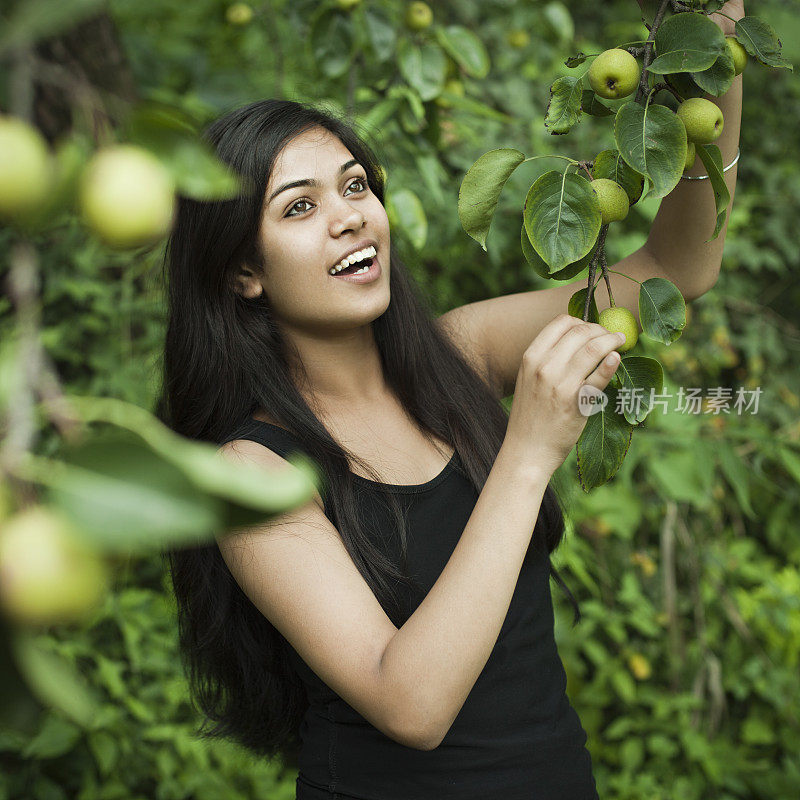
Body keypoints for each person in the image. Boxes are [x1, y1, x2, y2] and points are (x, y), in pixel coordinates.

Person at [157, 98, 626, 799]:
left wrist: (713, 35)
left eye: (354, 186)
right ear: (241, 272)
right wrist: (528, 453)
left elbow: (675, 274)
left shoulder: (456, 358)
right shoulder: (252, 473)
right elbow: (410, 704)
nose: (349, 215)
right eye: (298, 208)